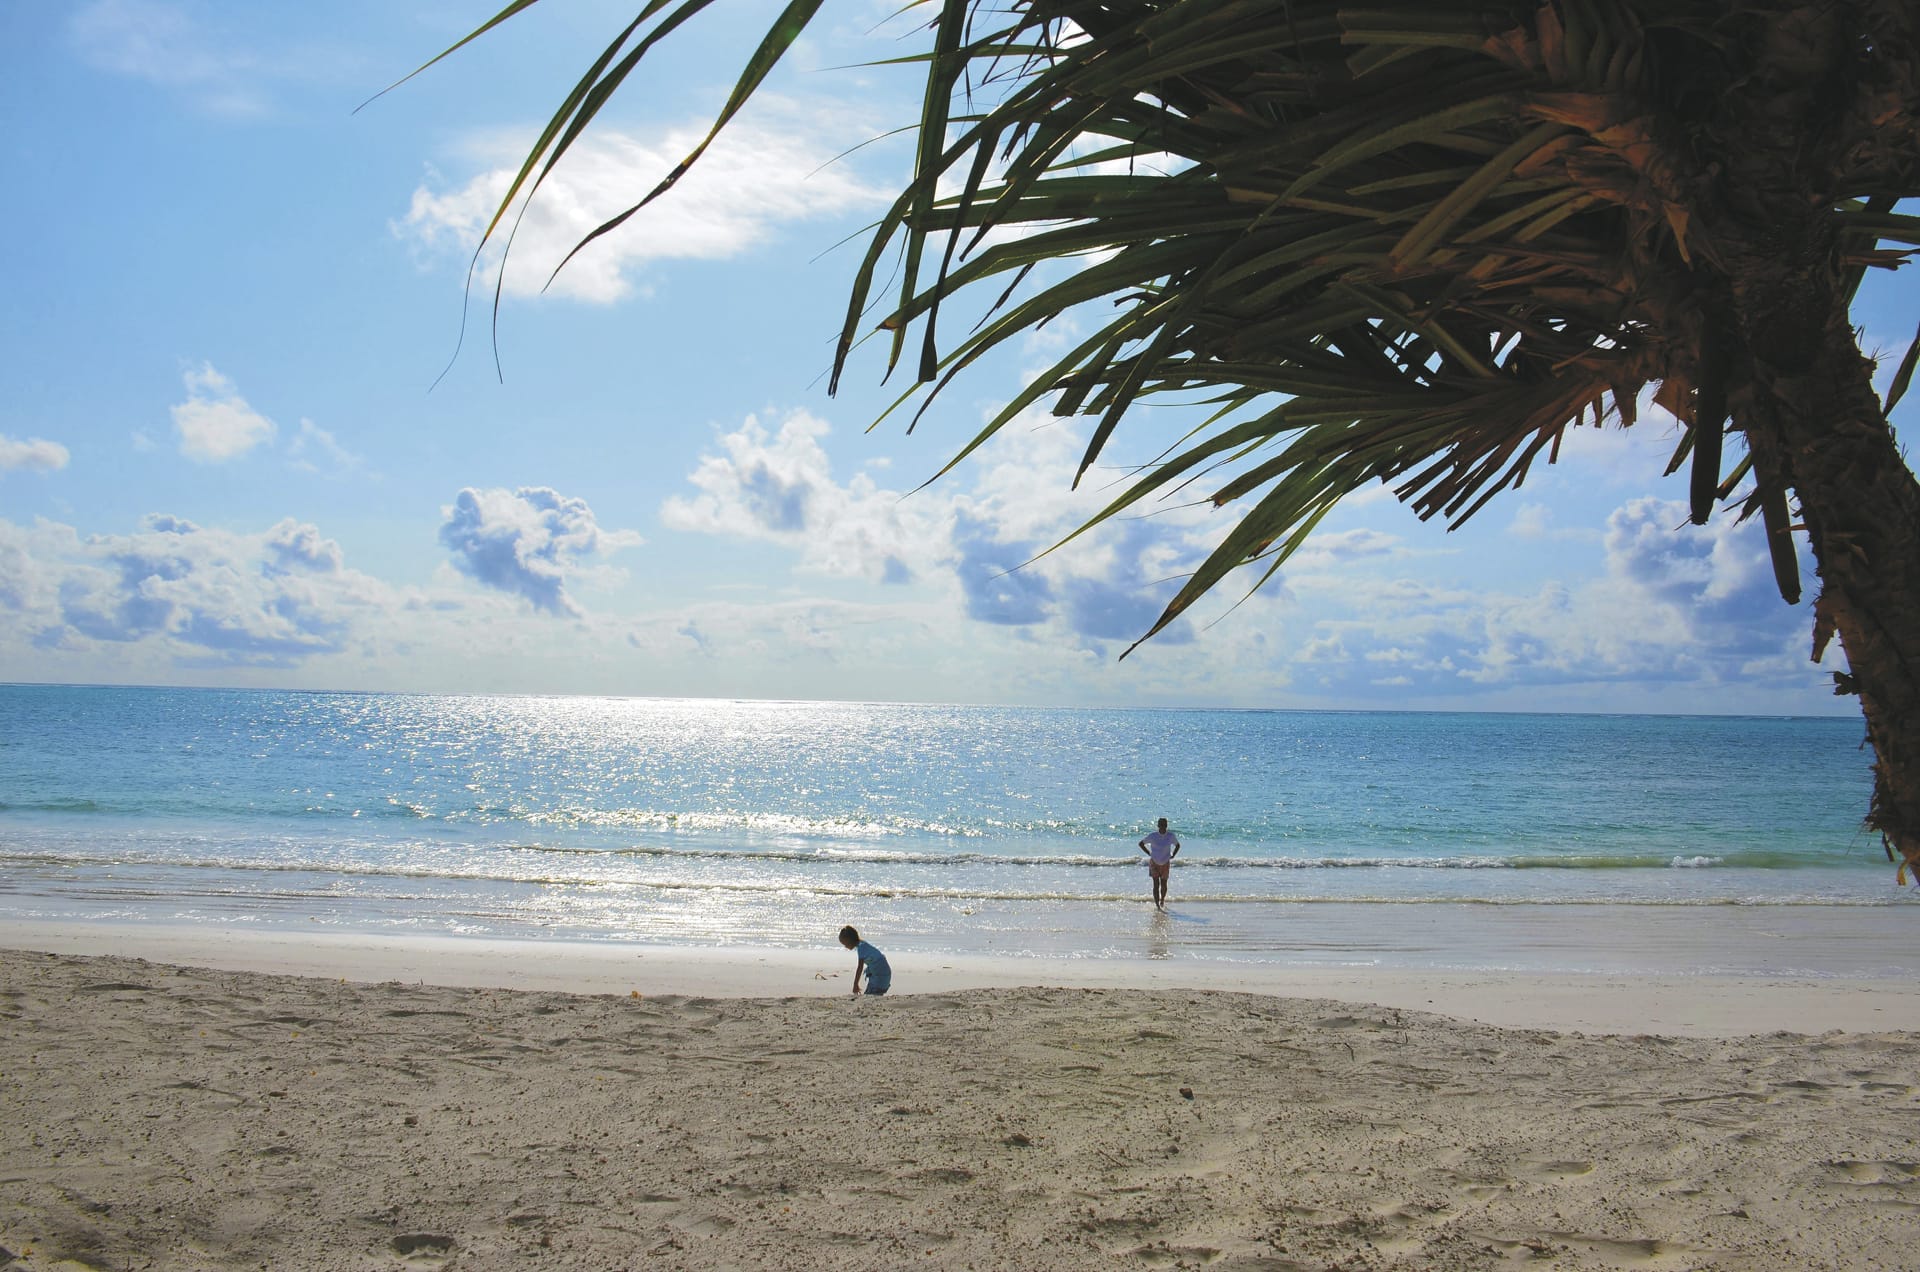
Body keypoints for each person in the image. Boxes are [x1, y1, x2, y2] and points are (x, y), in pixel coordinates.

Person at [1138, 817, 1181, 910]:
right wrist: (1149, 853)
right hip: (1154, 862)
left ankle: (1162, 900)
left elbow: (1177, 845)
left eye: (1164, 825)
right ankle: (1157, 904)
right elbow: (1141, 844)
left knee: (1164, 884)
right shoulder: (1153, 836)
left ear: (1166, 826)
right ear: (1158, 826)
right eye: (1161, 825)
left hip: (1165, 862)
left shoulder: (1170, 836)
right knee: (1156, 884)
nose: (1163, 827)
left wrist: (1173, 855)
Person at [838, 925, 891, 996]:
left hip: (881, 975)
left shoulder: (861, 948)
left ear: (850, 940)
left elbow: (860, 968)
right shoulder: (863, 944)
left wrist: (855, 984)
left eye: (845, 944)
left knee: (870, 995)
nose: (845, 946)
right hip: (883, 973)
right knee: (873, 994)